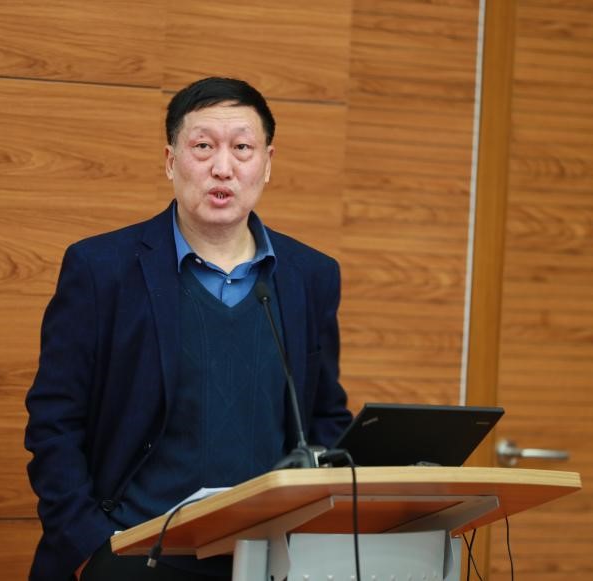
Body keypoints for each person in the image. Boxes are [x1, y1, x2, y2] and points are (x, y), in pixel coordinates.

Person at [24, 77, 352, 581]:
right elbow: (55, 421)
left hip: (263, 559)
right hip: (133, 554)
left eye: (242, 148)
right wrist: (93, 547)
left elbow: (325, 417)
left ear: (267, 163)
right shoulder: (100, 269)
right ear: (171, 160)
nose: (223, 167)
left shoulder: (310, 275)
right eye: (203, 147)